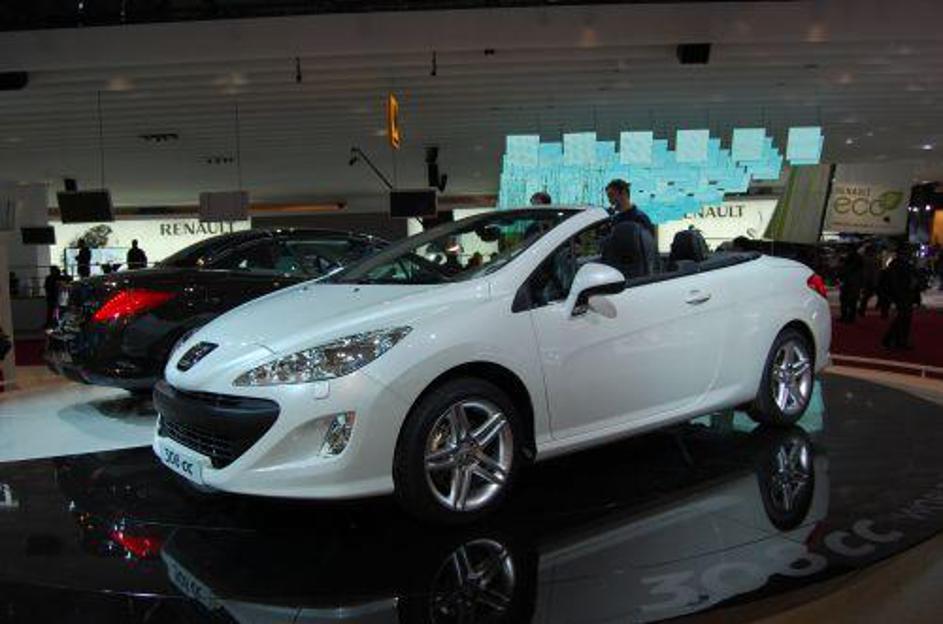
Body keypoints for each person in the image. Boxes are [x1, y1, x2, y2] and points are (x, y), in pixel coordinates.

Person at [882, 246, 917, 350]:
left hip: (904, 293)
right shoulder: (897, 264)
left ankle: (896, 340)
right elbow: (895, 282)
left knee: (903, 317)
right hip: (902, 294)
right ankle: (894, 340)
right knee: (903, 318)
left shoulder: (900, 264)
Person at [837, 250, 863, 323]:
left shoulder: (847, 267)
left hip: (848, 285)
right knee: (852, 303)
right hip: (854, 285)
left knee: (845, 302)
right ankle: (850, 318)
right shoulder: (859, 268)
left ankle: (845, 317)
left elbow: (841, 275)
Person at [858, 245, 881, 316]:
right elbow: (873, 271)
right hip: (870, 280)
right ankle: (862, 309)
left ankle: (862, 309)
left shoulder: (866, 258)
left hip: (870, 279)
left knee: (867, 295)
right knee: (868, 295)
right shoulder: (870, 259)